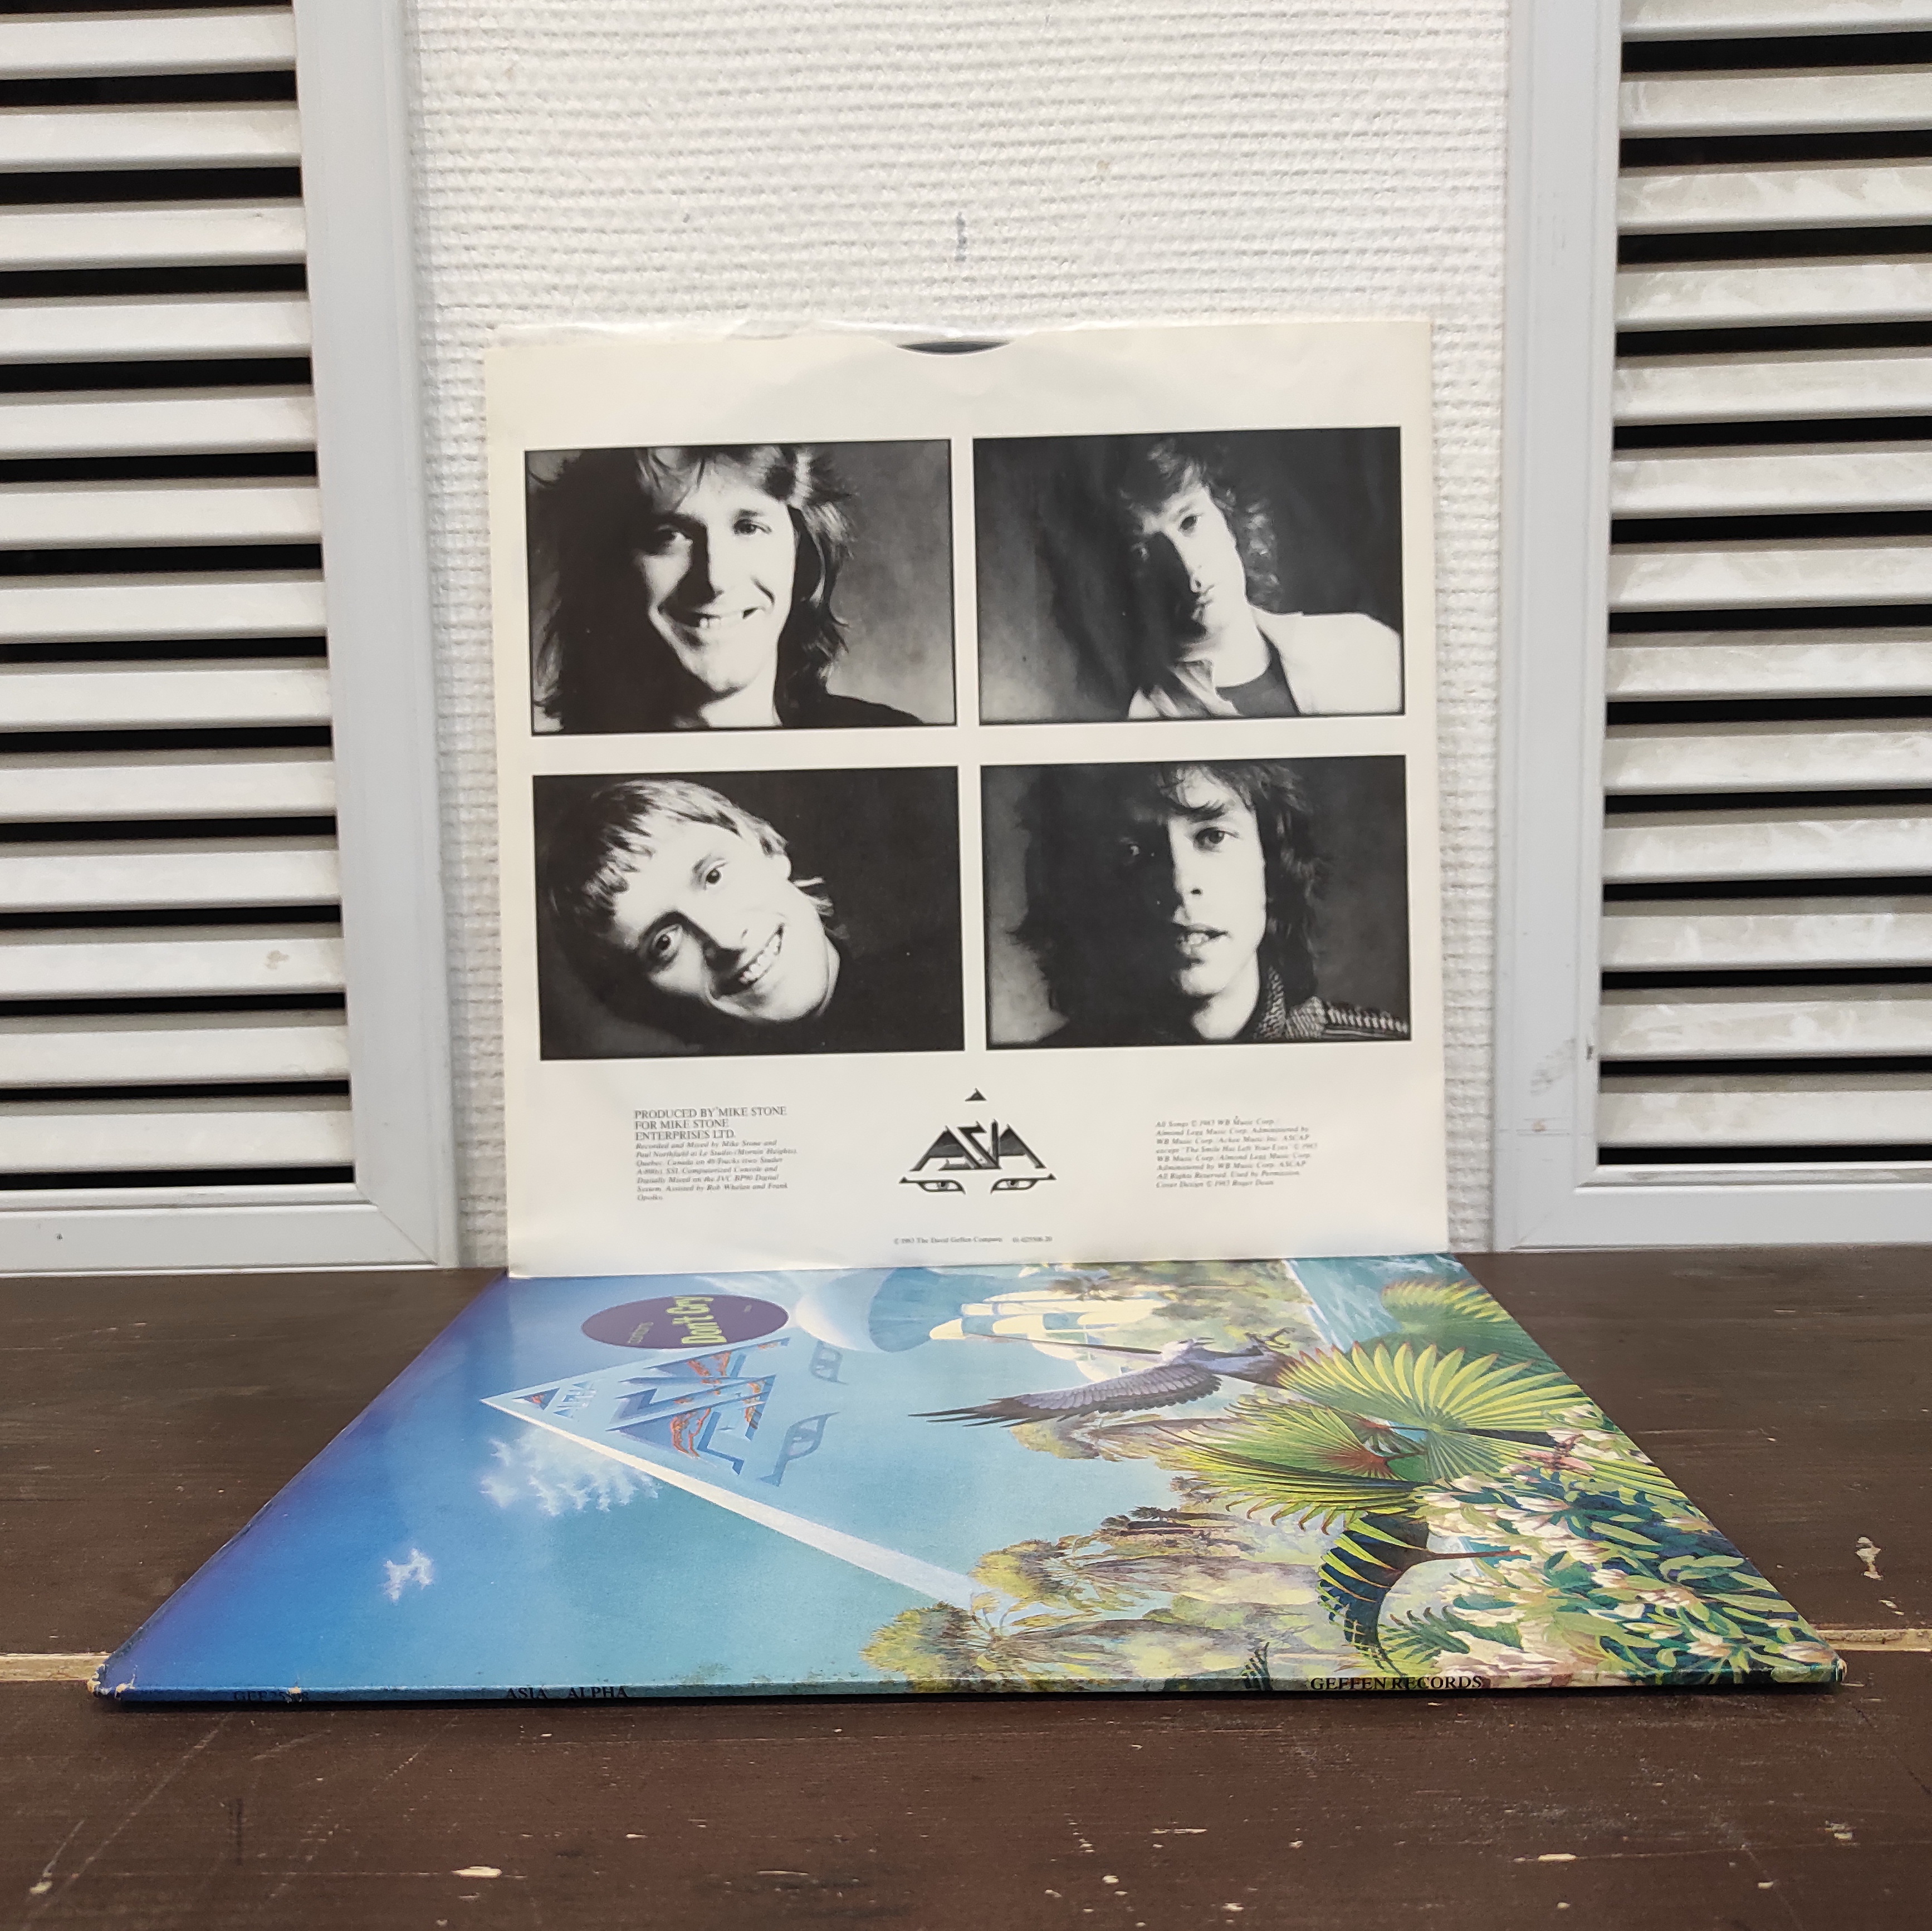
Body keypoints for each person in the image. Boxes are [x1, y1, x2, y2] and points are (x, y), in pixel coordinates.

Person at [540, 777, 958, 1056]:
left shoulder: (959, 981)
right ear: (644, 997)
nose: (726, 938)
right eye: (664, 944)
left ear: (769, 850)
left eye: (714, 876)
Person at [1011, 760, 1408, 1047]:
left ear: (1271, 865)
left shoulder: (1383, 1057)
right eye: (1131, 850)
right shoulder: (1048, 1079)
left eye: (1213, 837)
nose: (1180, 885)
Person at [531, 444, 920, 732]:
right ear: (608, 568)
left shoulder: (896, 747)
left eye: (749, 528)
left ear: (801, 555)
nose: (715, 579)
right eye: (669, 536)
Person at [1046, 438, 1402, 720]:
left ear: (1228, 517)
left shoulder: (1363, 646)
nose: (1188, 569)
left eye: (1190, 523)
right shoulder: (1150, 722)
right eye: (1147, 552)